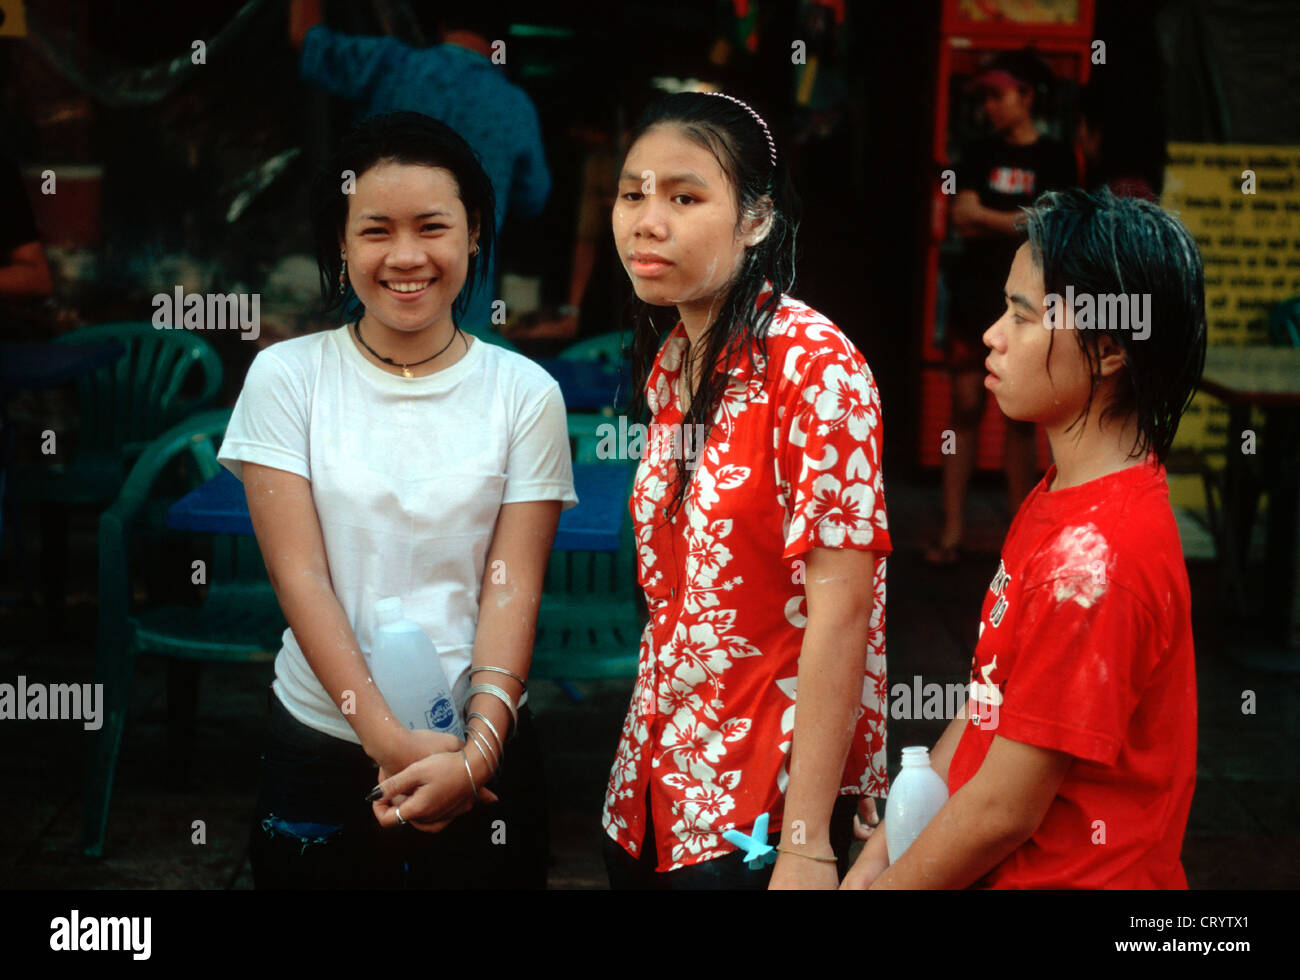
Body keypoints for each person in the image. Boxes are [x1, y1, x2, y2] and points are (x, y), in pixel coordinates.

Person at [217, 111, 576, 888]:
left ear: (475, 233)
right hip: (320, 742)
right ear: (341, 243)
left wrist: (476, 753)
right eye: (376, 230)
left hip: (480, 745)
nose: (406, 256)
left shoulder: (525, 394)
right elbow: (301, 578)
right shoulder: (288, 380)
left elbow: (511, 588)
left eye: (433, 227)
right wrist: (385, 738)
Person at [843, 187, 1205, 889]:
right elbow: (988, 702)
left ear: (1106, 349)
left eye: (1022, 314)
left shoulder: (1097, 562)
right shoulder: (1062, 496)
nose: (992, 335)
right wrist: (881, 850)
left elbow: (1004, 809)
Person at [601, 91, 891, 889]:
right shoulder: (675, 363)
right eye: (633, 194)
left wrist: (806, 842)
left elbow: (844, 611)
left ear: (757, 219)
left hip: (757, 813)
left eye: (684, 197)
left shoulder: (813, 363)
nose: (646, 220)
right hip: (649, 791)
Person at [289, 0, 551, 336]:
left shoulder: (389, 65)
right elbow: (533, 198)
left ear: (441, 27)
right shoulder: (515, 106)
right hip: (466, 313)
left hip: (370, 305)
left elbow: (307, 39)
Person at [929, 48, 1078, 564]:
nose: (989, 105)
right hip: (972, 299)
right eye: (985, 96)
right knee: (965, 407)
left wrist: (990, 217)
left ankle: (1023, 540)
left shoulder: (1058, 157)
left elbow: (1056, 225)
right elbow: (961, 216)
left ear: (1027, 96)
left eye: (997, 94)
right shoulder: (976, 151)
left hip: (1030, 306)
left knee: (1022, 418)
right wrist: (1022, 218)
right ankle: (951, 533)